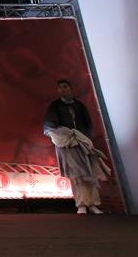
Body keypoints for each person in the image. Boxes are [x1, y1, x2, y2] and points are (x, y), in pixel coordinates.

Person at [44, 79, 110, 215]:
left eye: (65, 87)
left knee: (89, 173)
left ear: (70, 88)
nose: (62, 89)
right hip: (68, 144)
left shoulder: (79, 105)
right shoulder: (55, 106)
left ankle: (93, 204)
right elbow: (51, 126)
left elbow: (88, 124)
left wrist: (84, 137)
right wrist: (67, 135)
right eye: (60, 87)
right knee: (76, 175)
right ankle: (81, 204)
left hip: (83, 143)